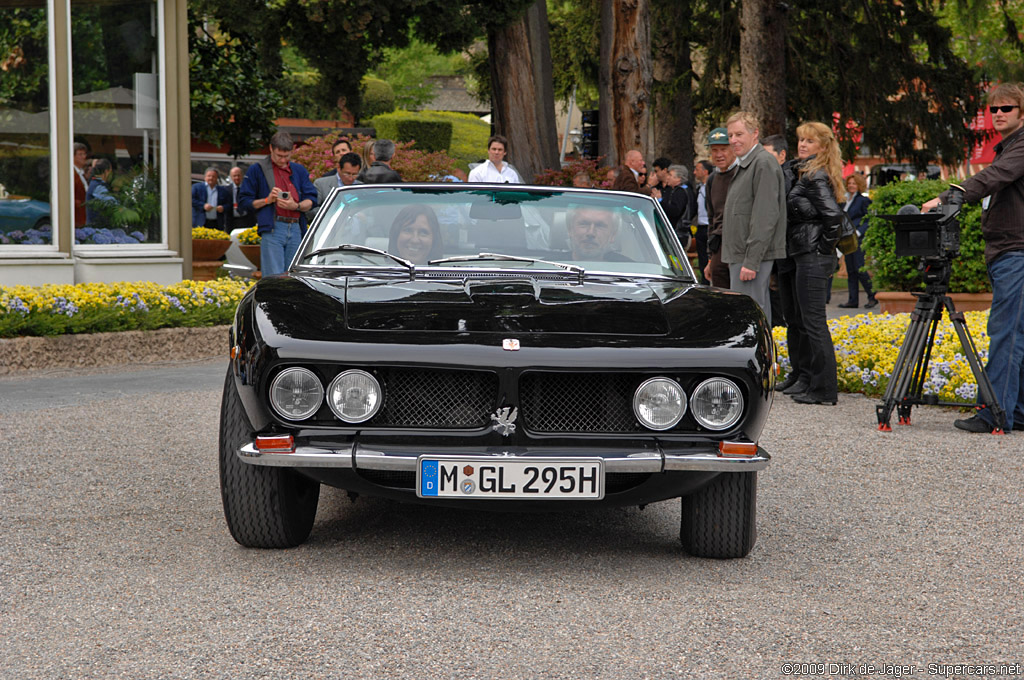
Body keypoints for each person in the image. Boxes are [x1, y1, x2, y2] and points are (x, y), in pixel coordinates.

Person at [922, 82, 1024, 434]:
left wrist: (950, 197)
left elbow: (996, 177)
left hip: (1016, 252)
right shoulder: (1007, 147)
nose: (998, 114)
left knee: (1006, 333)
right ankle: (1016, 410)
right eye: (993, 109)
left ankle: (994, 414)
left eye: (1006, 108)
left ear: (1021, 112)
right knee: (1016, 332)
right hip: (1006, 251)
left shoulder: (1021, 146)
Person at [779, 121, 845, 406]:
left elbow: (834, 218)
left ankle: (824, 389)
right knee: (809, 321)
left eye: (809, 141)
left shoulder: (815, 175)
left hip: (813, 257)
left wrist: (822, 249)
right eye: (801, 140)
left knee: (815, 323)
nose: (802, 145)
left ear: (822, 146)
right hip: (808, 254)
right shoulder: (807, 172)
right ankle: (816, 383)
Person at [721, 111, 787, 321]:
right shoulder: (747, 164)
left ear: (754, 133)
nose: (733, 140)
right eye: (730, 135)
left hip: (749, 257)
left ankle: (758, 355)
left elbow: (765, 216)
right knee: (750, 315)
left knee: (751, 316)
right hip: (742, 255)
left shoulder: (762, 163)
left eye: (739, 134)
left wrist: (751, 261)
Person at [237, 131, 318, 277]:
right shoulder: (258, 169)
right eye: (279, 156)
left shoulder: (298, 170)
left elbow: (312, 200)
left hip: (296, 227)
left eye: (287, 156)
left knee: (294, 277)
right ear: (270, 149)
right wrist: (267, 200)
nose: (283, 160)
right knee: (274, 276)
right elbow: (244, 202)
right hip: (273, 227)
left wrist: (296, 206)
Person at [702, 128, 737, 288]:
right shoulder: (712, 180)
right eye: (714, 150)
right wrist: (711, 258)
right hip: (719, 247)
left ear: (733, 150)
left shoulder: (742, 173)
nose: (719, 154)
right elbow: (711, 218)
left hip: (739, 245)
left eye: (723, 149)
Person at [837, 173, 877, 309]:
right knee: (851, 270)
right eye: (849, 183)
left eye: (854, 183)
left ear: (859, 185)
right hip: (847, 239)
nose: (851, 186)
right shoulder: (846, 200)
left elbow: (869, 219)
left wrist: (859, 231)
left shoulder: (863, 200)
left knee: (860, 268)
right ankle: (852, 300)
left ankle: (873, 296)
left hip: (858, 238)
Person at [659, 165, 692, 246]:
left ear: (679, 178)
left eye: (670, 175)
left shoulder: (680, 192)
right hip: (680, 232)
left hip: (678, 233)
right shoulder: (683, 190)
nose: (668, 177)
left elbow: (675, 211)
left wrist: (660, 200)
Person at [693, 160, 713, 283]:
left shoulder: (712, 186)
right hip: (700, 226)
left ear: (705, 172)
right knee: (702, 259)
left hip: (710, 226)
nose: (694, 172)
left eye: (697, 169)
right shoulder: (699, 188)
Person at [85, 158, 118, 226]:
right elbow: (113, 204)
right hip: (97, 229)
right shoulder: (98, 187)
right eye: (110, 171)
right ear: (106, 171)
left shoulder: (95, 183)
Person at [227, 166, 253, 231]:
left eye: (238, 175)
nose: (237, 178)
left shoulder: (249, 188)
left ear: (242, 176)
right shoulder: (226, 190)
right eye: (234, 176)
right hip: (232, 221)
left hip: (247, 220)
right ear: (231, 177)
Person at [73, 142, 90, 227]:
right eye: (80, 154)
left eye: (84, 154)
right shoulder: (71, 174)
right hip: (76, 219)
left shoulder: (81, 173)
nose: (84, 157)